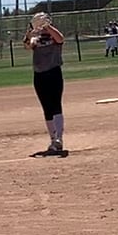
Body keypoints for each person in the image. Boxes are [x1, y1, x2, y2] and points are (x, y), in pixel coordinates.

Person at [24, 12, 69, 157]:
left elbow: (60, 39)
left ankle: (59, 138)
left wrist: (47, 27)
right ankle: (53, 138)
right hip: (39, 75)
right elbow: (28, 45)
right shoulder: (36, 38)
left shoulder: (53, 35)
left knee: (56, 104)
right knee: (46, 107)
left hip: (54, 72)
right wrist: (30, 34)